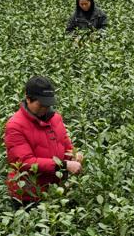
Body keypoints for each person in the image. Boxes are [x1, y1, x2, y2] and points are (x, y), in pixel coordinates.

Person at [5, 75, 83, 204]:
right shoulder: (15, 125)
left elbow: (66, 146)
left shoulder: (56, 118)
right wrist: (64, 165)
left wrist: (74, 156)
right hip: (29, 195)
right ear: (28, 99)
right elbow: (25, 162)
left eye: (48, 104)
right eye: (41, 105)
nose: (45, 108)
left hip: (56, 190)